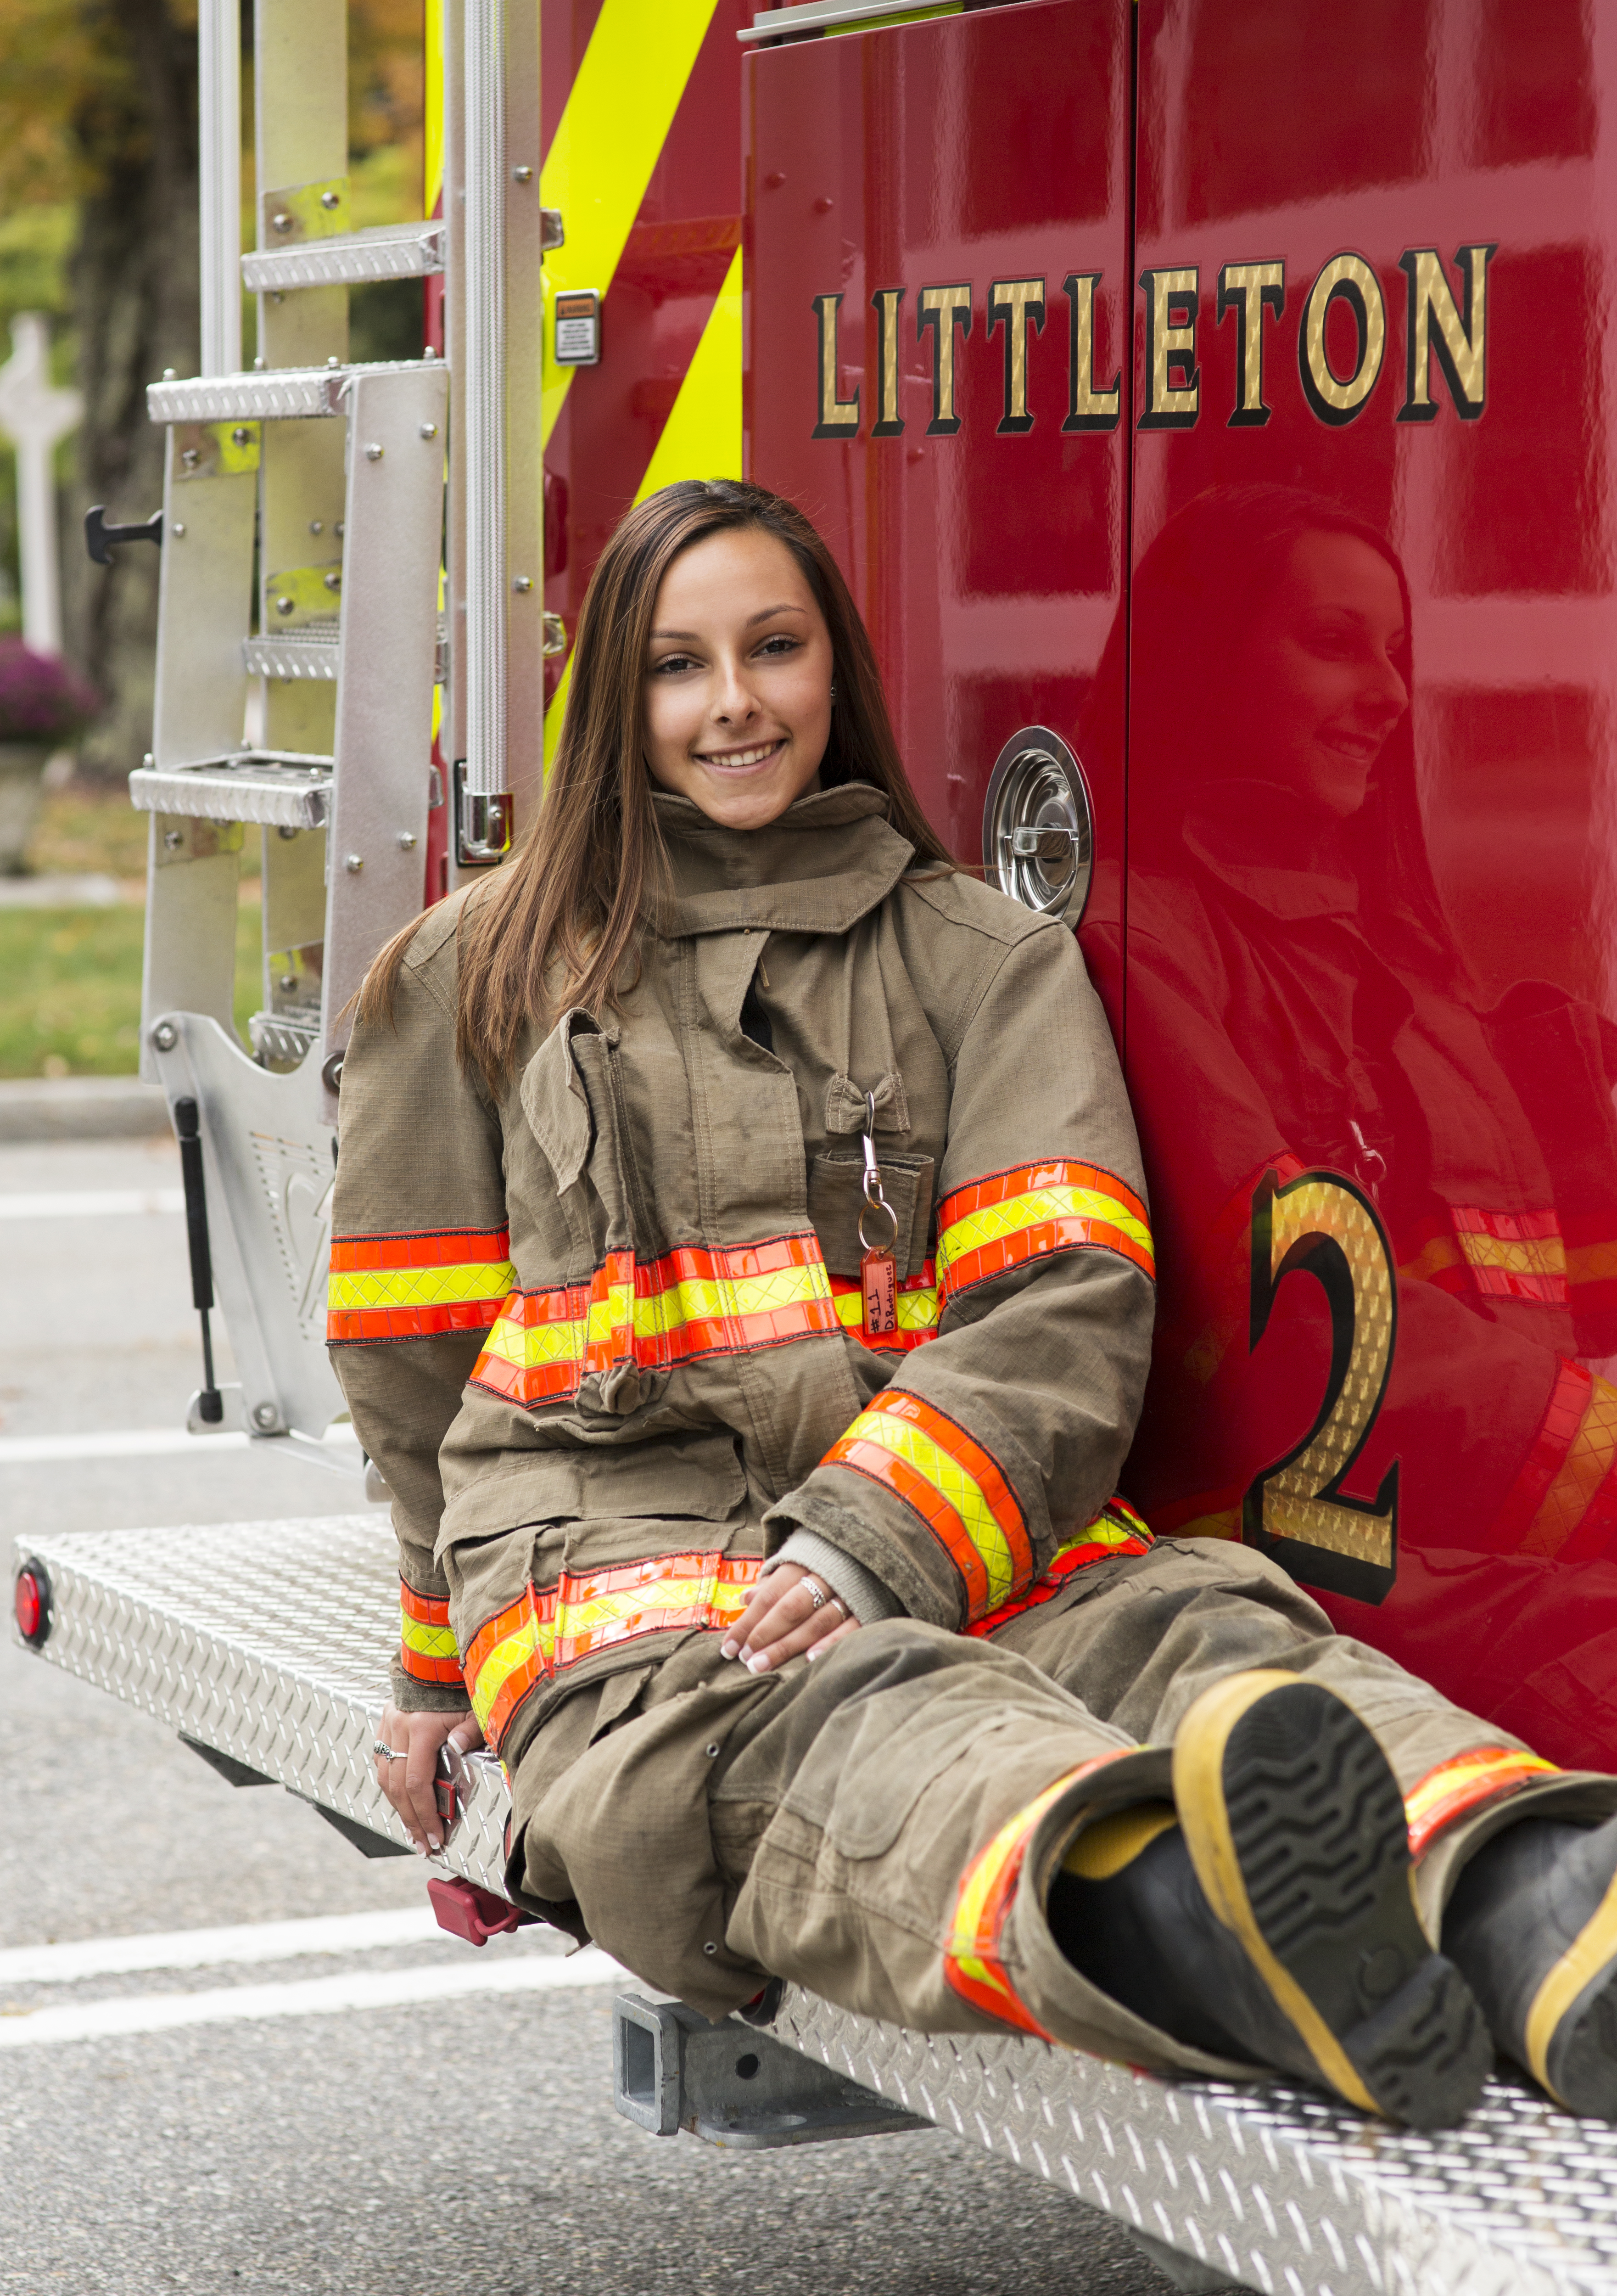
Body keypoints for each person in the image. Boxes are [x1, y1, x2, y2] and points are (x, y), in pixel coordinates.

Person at [332, 477, 1617, 2133]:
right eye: (680, 663)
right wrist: (438, 1674)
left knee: (1206, 1637)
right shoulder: (469, 969)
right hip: (633, 1598)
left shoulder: (981, 956)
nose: (734, 703)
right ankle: (1229, 1939)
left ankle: (1551, 1914)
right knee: (890, 1739)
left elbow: (1060, 1301)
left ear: (832, 667)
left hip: (968, 1524)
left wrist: (872, 1534)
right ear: (620, 706)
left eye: (774, 648)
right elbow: (416, 1377)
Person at [1080, 487, 1617, 1767]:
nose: (1386, 696)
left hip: (1460, 1528)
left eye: (1396, 655)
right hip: (1297, 1553)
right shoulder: (1133, 942)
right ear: (1203, 663)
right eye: (1334, 644)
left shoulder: (1391, 962)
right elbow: (1287, 1307)